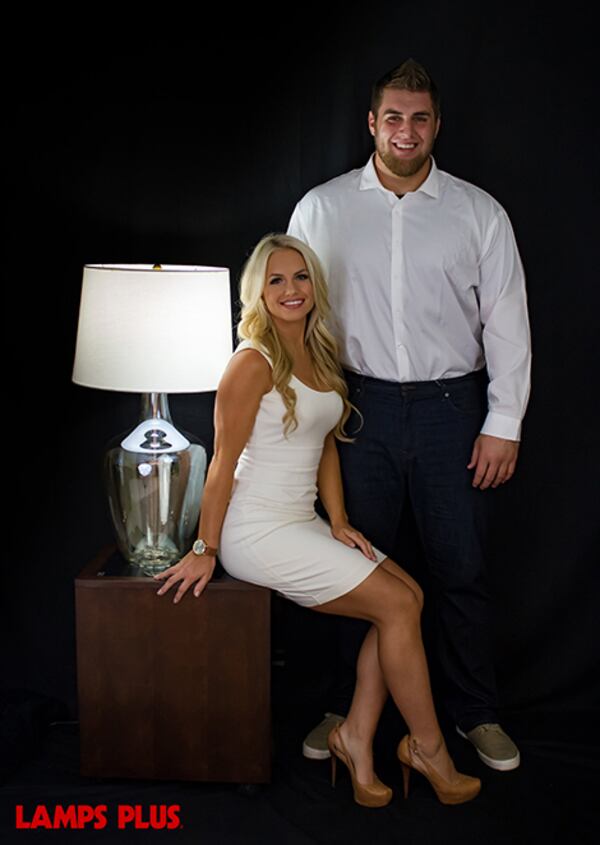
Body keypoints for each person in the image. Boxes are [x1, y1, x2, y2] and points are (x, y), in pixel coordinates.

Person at [154, 233, 481, 807]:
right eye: (275, 280)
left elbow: (325, 443)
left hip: (301, 521)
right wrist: (205, 549)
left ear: (314, 286)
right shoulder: (250, 363)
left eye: (300, 277)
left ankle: (355, 737)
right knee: (400, 606)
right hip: (256, 531)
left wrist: (338, 520)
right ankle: (428, 749)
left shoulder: (319, 350)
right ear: (256, 292)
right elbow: (222, 464)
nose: (290, 289)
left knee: (408, 599)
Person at [287, 59, 531, 771]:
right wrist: (306, 415)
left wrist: (504, 420)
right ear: (371, 122)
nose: (405, 130)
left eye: (419, 118)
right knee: (345, 565)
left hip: (452, 410)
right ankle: (342, 710)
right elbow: (292, 312)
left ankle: (475, 714)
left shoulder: (478, 213)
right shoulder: (322, 209)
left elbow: (508, 323)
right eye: (393, 116)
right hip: (354, 410)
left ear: (436, 126)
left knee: (461, 569)